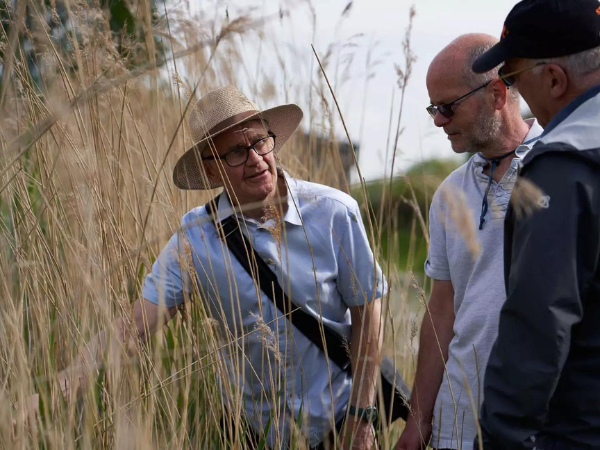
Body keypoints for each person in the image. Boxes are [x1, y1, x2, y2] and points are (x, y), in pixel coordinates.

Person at [24, 86, 387, 449]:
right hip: (252, 434)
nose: (257, 159)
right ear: (210, 171)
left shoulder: (334, 212)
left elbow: (367, 312)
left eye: (261, 142)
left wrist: (361, 415)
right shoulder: (196, 237)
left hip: (338, 423)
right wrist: (66, 383)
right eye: (235, 152)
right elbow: (135, 325)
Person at [395, 34, 542, 450]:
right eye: (432, 109)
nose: (438, 120)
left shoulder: (564, 165)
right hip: (458, 423)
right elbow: (442, 309)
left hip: (541, 420)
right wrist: (419, 421)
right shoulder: (448, 193)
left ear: (497, 94)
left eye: (447, 107)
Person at [471, 0, 600, 448]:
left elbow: (539, 319)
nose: (510, 90)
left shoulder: (561, 167)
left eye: (511, 76)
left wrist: (502, 434)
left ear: (553, 79)